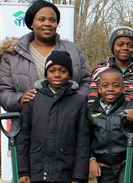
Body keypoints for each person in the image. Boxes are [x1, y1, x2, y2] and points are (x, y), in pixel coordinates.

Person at [88, 26, 133, 183]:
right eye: (120, 44)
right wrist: (91, 155)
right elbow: (91, 111)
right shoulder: (100, 71)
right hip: (105, 148)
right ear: (112, 45)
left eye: (130, 45)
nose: (125, 48)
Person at [0, 0, 90, 112]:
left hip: (68, 121)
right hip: (28, 124)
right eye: (41, 19)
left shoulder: (73, 50)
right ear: (31, 23)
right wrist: (19, 99)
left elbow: (87, 82)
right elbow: (3, 91)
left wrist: (78, 99)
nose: (47, 23)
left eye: (52, 20)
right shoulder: (13, 54)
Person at [17, 51, 90, 183]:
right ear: (46, 74)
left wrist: (79, 176)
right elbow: (23, 137)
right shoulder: (33, 98)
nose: (57, 74)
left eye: (63, 71)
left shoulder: (78, 101)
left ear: (69, 75)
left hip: (66, 172)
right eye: (52, 70)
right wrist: (23, 171)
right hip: (37, 172)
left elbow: (83, 140)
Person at [88, 69, 133, 183]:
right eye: (105, 85)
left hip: (126, 162)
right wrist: (91, 159)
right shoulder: (92, 111)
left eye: (116, 85)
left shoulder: (131, 107)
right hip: (104, 166)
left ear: (123, 88)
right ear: (99, 88)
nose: (110, 89)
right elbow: (87, 138)